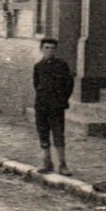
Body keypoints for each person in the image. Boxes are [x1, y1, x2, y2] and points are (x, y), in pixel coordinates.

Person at [32, 36, 75, 176]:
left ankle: (62, 164)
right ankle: (47, 162)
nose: (50, 51)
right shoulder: (38, 66)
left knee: (58, 134)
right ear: (41, 49)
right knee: (43, 133)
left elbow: (69, 84)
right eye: (47, 48)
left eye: (52, 48)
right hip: (42, 105)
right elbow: (36, 85)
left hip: (57, 106)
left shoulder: (61, 65)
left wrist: (63, 100)